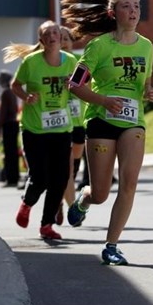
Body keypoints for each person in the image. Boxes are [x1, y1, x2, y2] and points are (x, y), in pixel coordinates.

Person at [62, 0, 153, 266]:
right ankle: (84, 199)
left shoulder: (147, 46)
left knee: (129, 183)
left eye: (136, 6)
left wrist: (150, 93)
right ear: (113, 13)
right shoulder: (99, 46)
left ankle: (111, 245)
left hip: (133, 122)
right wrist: (103, 100)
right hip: (101, 121)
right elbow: (75, 84)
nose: (133, 11)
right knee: (100, 193)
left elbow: (146, 85)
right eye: (126, 6)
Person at [3, 21, 75, 240]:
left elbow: (81, 85)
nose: (52, 36)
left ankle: (47, 225)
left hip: (61, 128)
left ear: (61, 38)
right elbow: (15, 85)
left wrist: (72, 85)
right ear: (41, 40)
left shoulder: (71, 61)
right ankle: (27, 204)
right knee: (40, 177)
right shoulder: (31, 62)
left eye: (55, 33)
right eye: (47, 34)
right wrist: (27, 97)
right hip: (34, 128)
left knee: (60, 178)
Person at [60, 25, 86, 222]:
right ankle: (70, 208)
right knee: (66, 168)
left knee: (73, 167)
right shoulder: (50, 62)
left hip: (79, 121)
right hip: (60, 124)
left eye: (66, 38)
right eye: (59, 38)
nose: (63, 42)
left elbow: (90, 85)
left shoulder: (79, 61)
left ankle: (59, 198)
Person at [0, 69, 20, 188]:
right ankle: (14, 177)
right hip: (14, 123)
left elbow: (3, 113)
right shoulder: (12, 91)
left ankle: (11, 179)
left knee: (9, 152)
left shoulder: (5, 92)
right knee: (13, 152)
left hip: (8, 124)